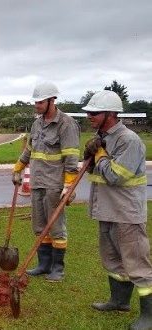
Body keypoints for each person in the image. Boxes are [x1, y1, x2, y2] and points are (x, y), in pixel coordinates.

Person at [83, 90, 152, 330]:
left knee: (138, 265)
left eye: (94, 112)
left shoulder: (128, 140)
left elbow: (115, 176)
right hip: (106, 210)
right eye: (89, 112)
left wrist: (100, 156)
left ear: (111, 114)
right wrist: (89, 156)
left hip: (126, 213)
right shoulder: (101, 137)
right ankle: (119, 301)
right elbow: (94, 173)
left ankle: (149, 317)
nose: (89, 116)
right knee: (112, 261)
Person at [12, 81, 80, 282]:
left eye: (40, 102)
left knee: (56, 226)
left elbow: (71, 157)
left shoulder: (66, 124)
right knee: (40, 225)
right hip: (38, 182)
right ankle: (44, 265)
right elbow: (29, 150)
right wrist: (18, 167)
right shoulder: (37, 123)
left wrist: (69, 185)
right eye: (35, 102)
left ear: (52, 101)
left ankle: (58, 268)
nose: (36, 105)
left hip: (55, 184)